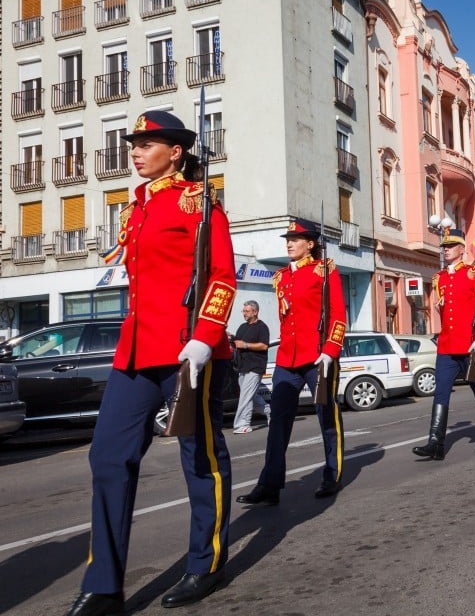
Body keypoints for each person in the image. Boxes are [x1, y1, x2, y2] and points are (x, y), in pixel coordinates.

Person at [66, 111, 237, 616]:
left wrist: (206, 338)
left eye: (147, 143)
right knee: (108, 457)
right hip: (137, 350)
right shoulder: (135, 208)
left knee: (199, 459)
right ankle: (103, 586)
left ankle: (205, 564)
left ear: (176, 152)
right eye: (133, 143)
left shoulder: (198, 202)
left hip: (187, 350)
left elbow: (223, 277)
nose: (136, 151)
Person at [237, 219, 347, 506]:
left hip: (317, 356)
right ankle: (270, 485)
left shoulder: (325, 271)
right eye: (287, 239)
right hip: (288, 358)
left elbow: (337, 313)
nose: (289, 243)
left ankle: (332, 475)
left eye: (295, 239)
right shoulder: (282, 276)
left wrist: (330, 349)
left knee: (327, 416)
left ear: (310, 243)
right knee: (278, 422)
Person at [412, 227, 475, 459]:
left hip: (470, 346)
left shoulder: (474, 274)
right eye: (444, 247)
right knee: (441, 393)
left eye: (450, 247)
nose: (446, 250)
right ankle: (435, 442)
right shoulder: (439, 278)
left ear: (461, 249)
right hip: (448, 346)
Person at [230, 301, 271, 433]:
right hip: (242, 367)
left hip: (255, 367)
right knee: (250, 396)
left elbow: (264, 345)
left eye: (247, 311)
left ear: (255, 312)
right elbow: (238, 342)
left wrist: (246, 345)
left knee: (246, 397)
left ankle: (243, 424)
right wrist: (230, 337)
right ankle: (271, 412)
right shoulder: (242, 327)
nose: (244, 314)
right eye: (243, 311)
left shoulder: (262, 327)